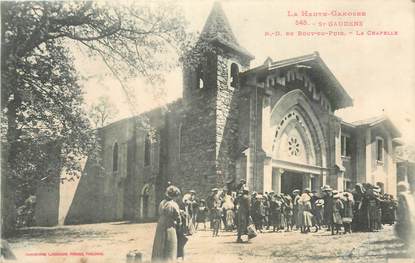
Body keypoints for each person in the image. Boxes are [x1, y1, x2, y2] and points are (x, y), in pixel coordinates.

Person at [152, 185, 182, 263]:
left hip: (161, 225)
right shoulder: (173, 204)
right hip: (169, 226)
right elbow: (178, 218)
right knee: (170, 246)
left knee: (159, 244)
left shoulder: (162, 202)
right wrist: (179, 223)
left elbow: (162, 212)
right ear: (174, 196)